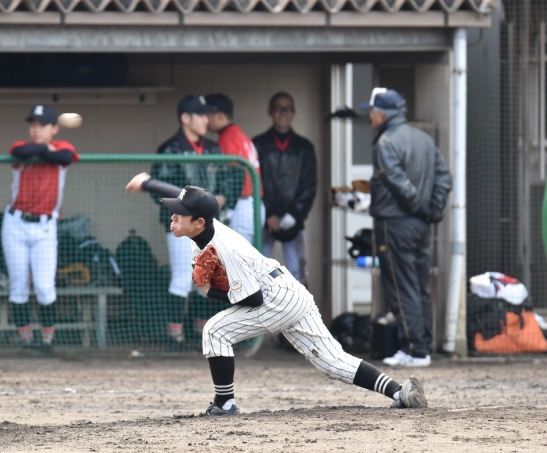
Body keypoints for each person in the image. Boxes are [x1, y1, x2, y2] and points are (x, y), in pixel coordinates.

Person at [125, 172, 428, 416]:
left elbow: (253, 300)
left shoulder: (225, 248)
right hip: (289, 292)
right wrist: (149, 183)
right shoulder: (202, 225)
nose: (173, 217)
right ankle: (400, 392)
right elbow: (188, 198)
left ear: (198, 222)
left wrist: (208, 291)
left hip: (272, 298)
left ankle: (224, 404)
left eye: (178, 215)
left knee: (215, 331)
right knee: (332, 362)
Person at [360, 88, 452, 368]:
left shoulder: (386, 142)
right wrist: (432, 209)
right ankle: (423, 346)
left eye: (371, 112)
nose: (370, 117)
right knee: (419, 284)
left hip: (395, 222)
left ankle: (414, 349)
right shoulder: (424, 139)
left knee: (402, 285)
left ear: (380, 114)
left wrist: (420, 206)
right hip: (421, 224)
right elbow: (444, 178)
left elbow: (397, 182)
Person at [150, 95, 235, 348]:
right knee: (182, 278)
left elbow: (229, 182)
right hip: (182, 226)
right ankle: (174, 338)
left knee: (209, 279)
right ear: (185, 118)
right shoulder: (170, 149)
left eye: (207, 115)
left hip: (210, 225)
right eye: (200, 115)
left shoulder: (213, 149)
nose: (206, 120)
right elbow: (159, 195)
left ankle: (202, 336)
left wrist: (223, 197)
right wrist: (190, 207)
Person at [1, 105, 80, 352]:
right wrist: (46, 149)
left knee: (45, 288)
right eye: (33, 125)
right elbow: (21, 152)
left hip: (45, 227)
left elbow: (64, 157)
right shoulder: (21, 147)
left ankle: (46, 342)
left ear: (54, 128)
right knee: (19, 287)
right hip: (15, 224)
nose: (36, 130)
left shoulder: (63, 146)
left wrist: (46, 150)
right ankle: (27, 342)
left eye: (42, 125)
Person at [252, 92, 316, 286]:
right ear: (270, 112)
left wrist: (295, 214)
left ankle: (299, 307)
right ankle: (259, 307)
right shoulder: (258, 145)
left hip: (294, 219)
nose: (283, 114)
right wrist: (268, 212)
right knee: (257, 272)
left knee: (299, 274)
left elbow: (310, 185)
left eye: (287, 109)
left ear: (293, 112)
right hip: (265, 219)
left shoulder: (304, 147)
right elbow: (253, 182)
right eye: (278, 109)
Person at [204, 93, 264, 244]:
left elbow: (236, 175)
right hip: (254, 204)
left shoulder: (228, 138)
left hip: (241, 204)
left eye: (207, 115)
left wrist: (229, 206)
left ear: (219, 116)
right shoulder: (240, 135)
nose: (205, 119)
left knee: (234, 257)